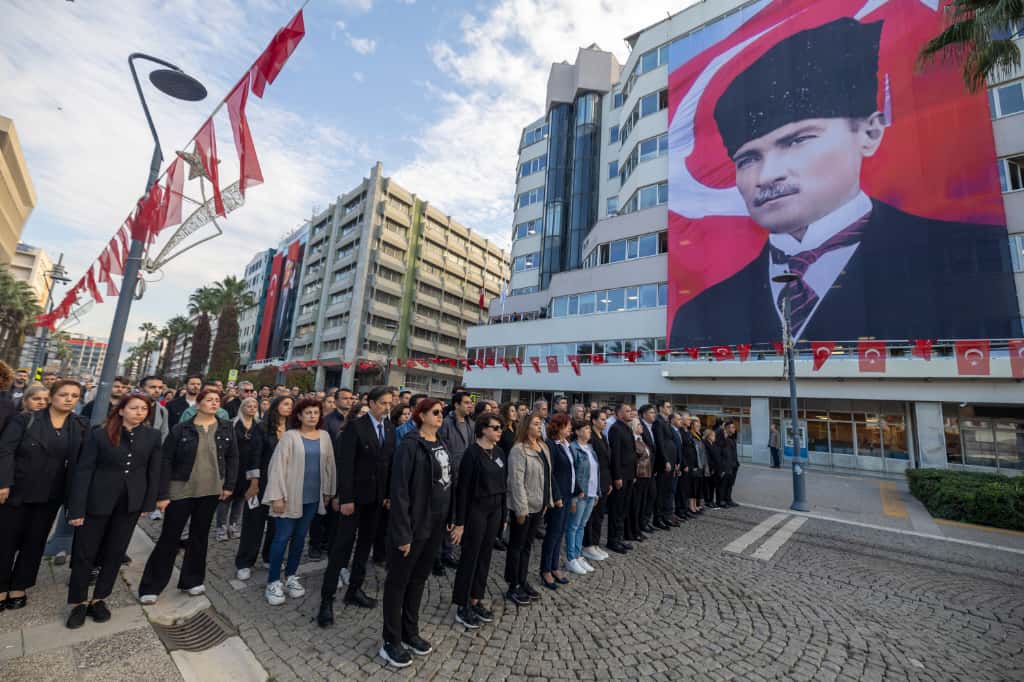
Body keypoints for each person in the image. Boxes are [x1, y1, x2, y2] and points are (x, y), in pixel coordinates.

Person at [670, 18, 1021, 349]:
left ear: (870, 133)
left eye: (797, 140)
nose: (767, 176)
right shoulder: (701, 313)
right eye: (748, 159)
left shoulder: (970, 256)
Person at [65, 393, 161, 629]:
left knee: (115, 551)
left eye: (144, 409)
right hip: (97, 499)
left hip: (129, 502)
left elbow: (153, 470)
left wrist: (148, 503)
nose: (139, 412)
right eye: (134, 408)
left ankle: (100, 598)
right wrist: (77, 508)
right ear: (121, 410)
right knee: (85, 552)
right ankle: (78, 601)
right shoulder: (100, 434)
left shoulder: (152, 436)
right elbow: (84, 470)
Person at [138, 389, 238, 603]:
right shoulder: (181, 429)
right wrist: (162, 492)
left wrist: (229, 484)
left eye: (217, 400)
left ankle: (192, 580)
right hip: (181, 489)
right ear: (198, 404)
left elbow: (232, 457)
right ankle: (151, 586)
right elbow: (166, 460)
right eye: (209, 400)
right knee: (169, 536)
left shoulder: (226, 427)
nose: (214, 403)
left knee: (199, 536)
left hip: (211, 490)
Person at [0, 379, 88, 610]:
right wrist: (3, 483)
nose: (69, 399)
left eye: (74, 396)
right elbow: (5, 450)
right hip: (17, 490)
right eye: (64, 394)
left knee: (35, 540)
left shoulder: (80, 425)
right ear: (52, 396)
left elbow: (84, 461)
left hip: (51, 493)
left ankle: (19, 585)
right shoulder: (25, 420)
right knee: (5, 539)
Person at [379, 398, 453, 669]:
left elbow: (448, 481)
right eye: (436, 412)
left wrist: (452, 518)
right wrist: (403, 533)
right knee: (398, 582)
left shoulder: (441, 442)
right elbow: (399, 492)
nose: (440, 416)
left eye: (442, 412)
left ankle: (410, 631)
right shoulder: (409, 446)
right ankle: (391, 640)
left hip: (436, 523)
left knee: (419, 579)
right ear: (421, 415)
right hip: (414, 524)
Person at [318, 387, 395, 626]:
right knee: (342, 548)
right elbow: (346, 465)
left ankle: (354, 590)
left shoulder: (389, 428)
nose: (387, 407)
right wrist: (346, 498)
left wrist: (387, 494)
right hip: (354, 499)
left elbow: (388, 463)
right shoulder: (355, 427)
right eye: (383, 403)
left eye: (390, 403)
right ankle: (327, 599)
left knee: (364, 546)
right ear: (371, 403)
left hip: (376, 500)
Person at [262, 398, 335, 606]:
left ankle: (291, 576)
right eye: (308, 412)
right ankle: (273, 581)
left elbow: (330, 465)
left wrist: (328, 491)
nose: (313, 416)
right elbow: (277, 467)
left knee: (300, 538)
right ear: (300, 416)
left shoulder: (324, 436)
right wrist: (277, 496)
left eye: (316, 412)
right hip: (289, 497)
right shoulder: (290, 436)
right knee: (281, 538)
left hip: (312, 498)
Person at [451, 414, 506, 629]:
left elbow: (504, 485)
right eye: (496, 427)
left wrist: (503, 516)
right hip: (476, 509)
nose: (499, 431)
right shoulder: (472, 454)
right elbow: (463, 489)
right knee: (470, 556)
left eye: (500, 427)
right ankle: (462, 604)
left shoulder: (499, 452)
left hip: (495, 509)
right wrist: (460, 522)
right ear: (483, 429)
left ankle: (476, 599)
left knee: (485, 556)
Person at [235, 396, 289, 581]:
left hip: (283, 484)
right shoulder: (262, 427)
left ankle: (270, 557)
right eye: (285, 404)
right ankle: (244, 562)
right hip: (261, 482)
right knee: (253, 524)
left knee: (276, 524)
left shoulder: (293, 429)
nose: (289, 407)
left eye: (291, 404)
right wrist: (253, 482)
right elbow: (254, 456)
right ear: (276, 406)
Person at [504, 413, 553, 606]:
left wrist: (547, 501)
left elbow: (547, 476)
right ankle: (513, 585)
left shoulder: (543, 447)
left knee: (527, 546)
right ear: (526, 427)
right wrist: (521, 509)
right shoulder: (518, 450)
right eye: (535, 424)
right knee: (516, 547)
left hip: (538, 505)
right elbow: (516, 482)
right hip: (524, 507)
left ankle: (522, 580)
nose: (539, 426)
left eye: (540, 424)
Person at [436, 391, 474, 572]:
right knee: (444, 517)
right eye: (466, 402)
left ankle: (448, 552)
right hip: (449, 476)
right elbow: (441, 449)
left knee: (457, 516)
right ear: (456, 404)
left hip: (465, 476)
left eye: (470, 402)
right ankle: (436, 556)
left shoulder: (471, 424)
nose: (470, 405)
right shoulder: (446, 423)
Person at [216, 398, 259, 541]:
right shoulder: (233, 424)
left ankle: (233, 525)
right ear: (242, 407)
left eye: (254, 406)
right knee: (226, 497)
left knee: (241, 498)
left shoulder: (258, 425)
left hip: (248, 467)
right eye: (248, 406)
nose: (252, 408)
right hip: (232, 465)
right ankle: (221, 526)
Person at [539, 413, 570, 589]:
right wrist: (556, 496)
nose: (570, 428)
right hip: (558, 497)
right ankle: (545, 570)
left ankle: (554, 566)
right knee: (553, 533)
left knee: (560, 533)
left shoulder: (564, 444)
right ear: (559, 427)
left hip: (567, 495)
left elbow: (571, 469)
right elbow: (550, 473)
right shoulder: (551, 445)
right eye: (568, 425)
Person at [565, 419, 599, 576]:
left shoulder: (590, 448)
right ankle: (571, 557)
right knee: (573, 526)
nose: (589, 431)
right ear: (577, 431)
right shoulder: (573, 448)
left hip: (591, 492)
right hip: (580, 494)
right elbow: (573, 474)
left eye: (589, 428)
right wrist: (573, 497)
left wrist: (597, 492)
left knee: (582, 525)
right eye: (586, 428)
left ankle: (578, 555)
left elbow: (595, 472)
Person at [581, 409, 611, 564]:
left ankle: (595, 543)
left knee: (599, 514)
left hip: (604, 479)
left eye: (606, 419)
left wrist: (609, 481)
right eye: (602, 419)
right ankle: (588, 544)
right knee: (590, 514)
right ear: (594, 421)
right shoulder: (591, 437)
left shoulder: (603, 436)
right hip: (594, 480)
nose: (605, 422)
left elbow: (607, 461)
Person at [605, 404, 635, 555]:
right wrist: (617, 476)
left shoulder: (627, 428)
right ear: (618, 413)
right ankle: (613, 540)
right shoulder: (615, 429)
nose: (631, 413)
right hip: (620, 476)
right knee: (616, 509)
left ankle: (619, 537)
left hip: (629, 475)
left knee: (623, 508)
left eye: (631, 411)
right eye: (627, 411)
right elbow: (615, 455)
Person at [652, 400, 679, 530]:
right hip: (664, 462)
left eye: (670, 406)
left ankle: (664, 516)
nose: (670, 408)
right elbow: (660, 442)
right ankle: (658, 518)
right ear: (661, 408)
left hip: (671, 461)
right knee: (661, 491)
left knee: (667, 490)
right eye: (668, 407)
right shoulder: (658, 422)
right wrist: (665, 460)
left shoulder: (666, 421)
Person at [628, 417, 654, 541]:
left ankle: (638, 529)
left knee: (642, 504)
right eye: (638, 425)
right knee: (635, 505)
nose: (641, 427)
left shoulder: (641, 440)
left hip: (646, 475)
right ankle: (633, 531)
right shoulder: (633, 441)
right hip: (638, 476)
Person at [140, 375, 170, 442]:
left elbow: (164, 433)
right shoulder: (129, 406)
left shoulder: (163, 410)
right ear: (141, 389)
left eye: (160, 388)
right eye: (153, 387)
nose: (157, 390)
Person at [717, 421, 739, 508]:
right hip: (725, 466)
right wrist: (722, 429)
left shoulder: (732, 438)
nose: (734, 429)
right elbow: (719, 451)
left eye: (734, 427)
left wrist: (736, 463)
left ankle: (728, 499)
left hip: (733, 465)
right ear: (727, 428)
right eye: (732, 427)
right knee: (723, 485)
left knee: (730, 484)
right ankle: (721, 501)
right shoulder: (722, 438)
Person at [688, 416, 707, 515]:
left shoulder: (699, 436)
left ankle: (695, 505)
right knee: (693, 487)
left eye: (699, 426)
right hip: (694, 465)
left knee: (698, 487)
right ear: (692, 426)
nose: (698, 427)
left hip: (700, 465)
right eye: (696, 426)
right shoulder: (691, 436)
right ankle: (691, 506)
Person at [703, 428, 723, 509]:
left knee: (712, 486)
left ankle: (711, 500)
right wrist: (712, 468)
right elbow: (708, 458)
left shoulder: (714, 444)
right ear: (708, 436)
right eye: (713, 436)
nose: (714, 437)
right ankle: (708, 501)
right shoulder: (705, 444)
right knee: (708, 486)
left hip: (716, 468)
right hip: (710, 468)